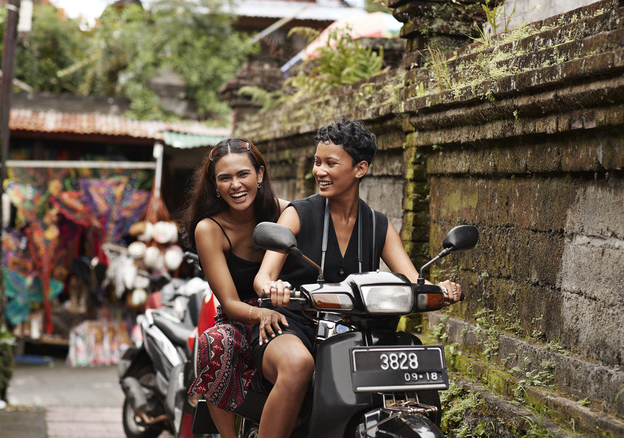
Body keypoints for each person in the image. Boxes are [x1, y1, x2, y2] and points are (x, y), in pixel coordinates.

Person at [251, 119, 463, 438]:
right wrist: (274, 287)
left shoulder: (379, 225)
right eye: (317, 162)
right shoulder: (298, 214)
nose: (319, 171)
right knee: (297, 366)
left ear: (360, 168)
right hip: (295, 327)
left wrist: (439, 290)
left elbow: (412, 280)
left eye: (330, 163)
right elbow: (264, 276)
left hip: (360, 332)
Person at [181, 137, 289, 438]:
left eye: (243, 174)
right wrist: (261, 315)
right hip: (242, 317)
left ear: (260, 174)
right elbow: (228, 302)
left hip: (291, 311)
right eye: (224, 178)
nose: (235, 185)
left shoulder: (287, 213)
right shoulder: (209, 229)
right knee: (214, 342)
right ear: (215, 186)